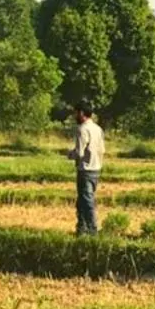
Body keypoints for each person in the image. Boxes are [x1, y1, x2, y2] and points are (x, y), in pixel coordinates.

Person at [66, 101, 105, 235]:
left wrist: (69, 154)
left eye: (75, 113)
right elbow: (102, 149)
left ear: (81, 113)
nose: (74, 116)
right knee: (83, 200)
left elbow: (79, 153)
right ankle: (81, 230)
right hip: (96, 168)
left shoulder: (82, 129)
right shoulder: (98, 128)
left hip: (85, 169)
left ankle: (93, 230)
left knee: (86, 201)